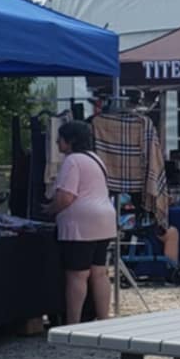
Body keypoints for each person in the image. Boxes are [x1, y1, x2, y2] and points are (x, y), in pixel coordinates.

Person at [47, 119, 118, 325]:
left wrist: (50, 210)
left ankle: (73, 323)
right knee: (99, 272)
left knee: (77, 274)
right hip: (104, 219)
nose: (58, 143)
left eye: (60, 139)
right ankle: (104, 319)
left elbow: (66, 197)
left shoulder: (72, 161)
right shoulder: (96, 159)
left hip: (81, 224)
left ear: (70, 141)